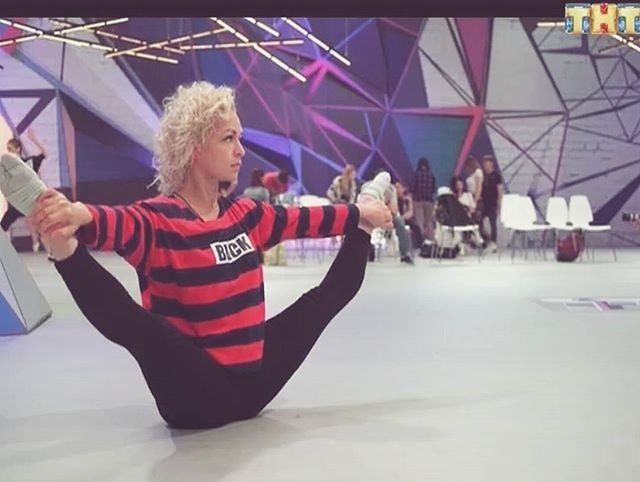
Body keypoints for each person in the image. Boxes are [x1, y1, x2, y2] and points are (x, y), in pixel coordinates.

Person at [2, 81, 393, 430]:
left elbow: (307, 219)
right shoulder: (160, 219)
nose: (240, 151)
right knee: (139, 326)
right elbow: (120, 222)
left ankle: (367, 214)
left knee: (323, 300)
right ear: (194, 148)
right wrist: (78, 215)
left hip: (253, 385)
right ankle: (61, 243)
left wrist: (361, 213)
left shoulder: (246, 215)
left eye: (239, 138)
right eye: (228, 139)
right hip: (194, 397)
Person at [1, 128, 47, 252]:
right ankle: (5, 249)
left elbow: (44, 154)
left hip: (32, 200)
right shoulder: (7, 167)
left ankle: (40, 245)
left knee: (37, 221)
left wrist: (34, 140)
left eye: (11, 149)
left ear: (18, 149)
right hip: (18, 202)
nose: (9, 152)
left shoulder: (29, 162)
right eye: (7, 149)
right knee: (4, 224)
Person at [479, 155, 503, 253]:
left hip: (492, 203)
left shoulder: (497, 176)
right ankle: (486, 240)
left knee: (493, 224)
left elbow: (500, 191)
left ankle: (494, 243)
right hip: (484, 203)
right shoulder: (483, 175)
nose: (485, 165)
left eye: (487, 163)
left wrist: (499, 205)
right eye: (484, 163)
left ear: (491, 163)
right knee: (478, 222)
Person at [411, 158, 436, 243]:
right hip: (429, 201)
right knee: (429, 222)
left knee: (420, 222)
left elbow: (413, 188)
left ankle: (421, 241)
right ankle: (430, 241)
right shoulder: (431, 175)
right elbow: (433, 189)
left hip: (418, 201)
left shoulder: (416, 175)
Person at [396, 181, 423, 250]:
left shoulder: (407, 199)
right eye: (396, 187)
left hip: (406, 218)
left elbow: (410, 212)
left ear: (403, 188)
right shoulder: (394, 199)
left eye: (399, 187)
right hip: (397, 219)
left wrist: (403, 217)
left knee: (416, 227)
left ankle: (419, 247)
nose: (397, 189)